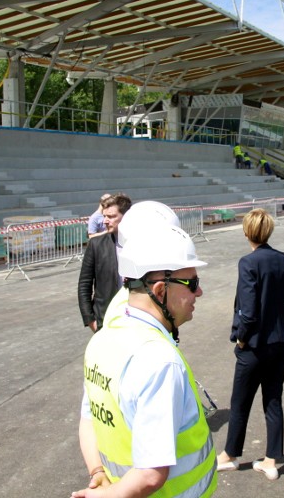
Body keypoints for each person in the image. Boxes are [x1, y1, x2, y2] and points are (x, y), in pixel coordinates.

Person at [72, 224, 217, 498]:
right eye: (193, 284)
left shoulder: (102, 340)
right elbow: (151, 475)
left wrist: (98, 474)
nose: (199, 293)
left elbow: (88, 419)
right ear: (160, 290)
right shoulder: (159, 361)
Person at [216, 209, 284, 481]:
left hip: (254, 346)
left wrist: (242, 337)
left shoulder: (248, 262)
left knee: (240, 401)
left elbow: (249, 309)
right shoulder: (282, 258)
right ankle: (271, 460)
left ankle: (230, 455)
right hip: (279, 343)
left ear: (246, 232)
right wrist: (280, 325)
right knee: (273, 400)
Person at [77, 193, 132, 333]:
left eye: (112, 217)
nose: (105, 221)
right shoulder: (96, 245)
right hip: (106, 320)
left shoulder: (140, 245)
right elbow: (84, 284)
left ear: (127, 218)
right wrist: (90, 320)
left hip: (136, 320)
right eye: (105, 216)